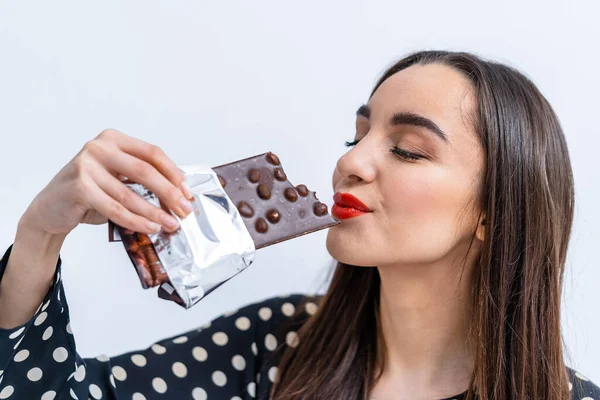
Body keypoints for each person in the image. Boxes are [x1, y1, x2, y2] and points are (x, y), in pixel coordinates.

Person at [0, 50, 598, 400]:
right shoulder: (276, 347)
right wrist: (38, 236)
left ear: (495, 211)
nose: (350, 163)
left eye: (408, 150)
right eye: (357, 134)